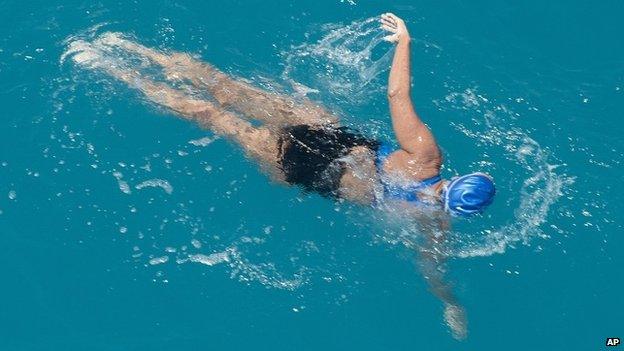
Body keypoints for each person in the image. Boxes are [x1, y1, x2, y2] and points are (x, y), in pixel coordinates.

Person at [71, 13, 495, 339]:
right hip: (310, 172)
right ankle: (113, 69)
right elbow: (432, 269)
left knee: (224, 88)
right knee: (215, 118)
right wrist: (449, 304)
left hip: (333, 137)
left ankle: (132, 49)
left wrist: (404, 39)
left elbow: (396, 93)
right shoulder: (433, 225)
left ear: (457, 180)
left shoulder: (425, 156)